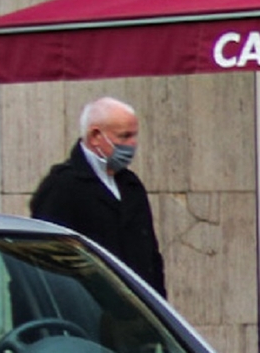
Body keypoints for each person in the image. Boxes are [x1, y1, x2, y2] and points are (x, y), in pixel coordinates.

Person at [29, 97, 166, 295]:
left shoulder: (131, 185)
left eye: (134, 136)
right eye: (124, 136)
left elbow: (151, 257)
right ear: (95, 136)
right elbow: (47, 262)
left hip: (138, 307)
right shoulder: (62, 186)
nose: (132, 144)